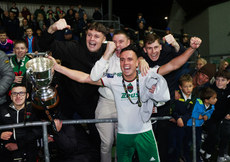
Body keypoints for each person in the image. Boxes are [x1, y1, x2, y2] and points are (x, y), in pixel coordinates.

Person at [49, 44, 171, 162]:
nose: (125, 63)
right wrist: (59, 68)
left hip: (145, 131)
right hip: (124, 134)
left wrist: (189, 49)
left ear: (137, 62)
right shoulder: (115, 79)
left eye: (129, 59)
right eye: (122, 60)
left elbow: (173, 65)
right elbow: (85, 78)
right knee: (108, 146)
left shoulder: (145, 74)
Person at [38, 18, 108, 159]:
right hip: (68, 99)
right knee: (63, 136)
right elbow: (44, 44)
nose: (92, 39)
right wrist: (52, 28)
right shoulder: (73, 48)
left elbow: (130, 49)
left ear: (104, 39)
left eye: (96, 36)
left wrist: (141, 59)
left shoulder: (108, 52)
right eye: (89, 35)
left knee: (97, 136)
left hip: (92, 102)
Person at [138, 33, 200, 162]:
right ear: (144, 49)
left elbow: (179, 59)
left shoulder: (168, 51)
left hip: (167, 104)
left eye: (156, 47)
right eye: (149, 48)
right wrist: (140, 59)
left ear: (160, 47)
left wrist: (178, 45)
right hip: (146, 105)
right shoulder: (142, 56)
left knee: (167, 141)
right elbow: (129, 55)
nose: (153, 52)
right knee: (144, 140)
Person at [0, 83, 42, 161]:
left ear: (27, 95)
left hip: (29, 149)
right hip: (6, 151)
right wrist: (0, 134)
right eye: (15, 93)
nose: (18, 96)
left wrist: (18, 145)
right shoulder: (2, 109)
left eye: (21, 93)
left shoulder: (35, 109)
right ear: (11, 96)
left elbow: (38, 131)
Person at [200, 70, 230, 162]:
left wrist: (228, 113)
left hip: (222, 118)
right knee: (215, 137)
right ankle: (205, 152)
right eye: (217, 80)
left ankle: (211, 153)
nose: (219, 82)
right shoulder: (211, 90)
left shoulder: (229, 90)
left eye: (222, 80)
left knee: (224, 135)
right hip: (210, 118)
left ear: (228, 81)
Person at [168, 74, 196, 162]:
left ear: (193, 86)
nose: (188, 89)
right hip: (175, 126)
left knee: (187, 144)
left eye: (190, 86)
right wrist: (177, 118)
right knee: (175, 145)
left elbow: (191, 112)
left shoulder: (194, 98)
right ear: (180, 87)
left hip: (187, 125)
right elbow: (172, 110)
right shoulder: (176, 97)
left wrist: (181, 119)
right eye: (185, 87)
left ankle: (185, 158)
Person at [185, 87, 217, 162]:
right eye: (214, 98)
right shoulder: (197, 103)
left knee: (198, 142)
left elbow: (209, 113)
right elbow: (190, 111)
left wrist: (207, 116)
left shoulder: (211, 106)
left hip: (199, 126)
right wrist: (197, 116)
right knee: (188, 142)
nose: (216, 99)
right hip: (189, 126)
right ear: (206, 100)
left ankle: (197, 157)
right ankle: (186, 157)